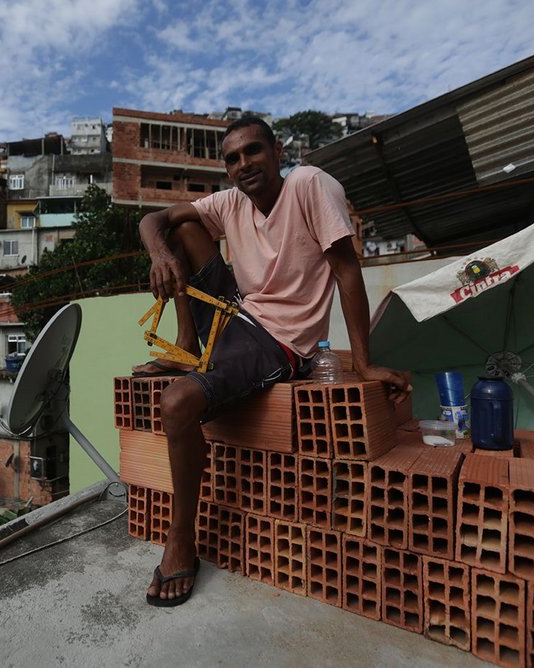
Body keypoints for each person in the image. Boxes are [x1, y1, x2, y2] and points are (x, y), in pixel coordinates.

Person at [135, 116, 411, 607]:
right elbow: (152, 219)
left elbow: (347, 270)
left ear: (277, 152)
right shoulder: (231, 201)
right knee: (182, 226)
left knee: (178, 403)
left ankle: (180, 540)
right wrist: (159, 253)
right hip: (236, 314)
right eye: (233, 159)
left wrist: (364, 364)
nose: (244, 165)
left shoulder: (309, 184)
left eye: (254, 152)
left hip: (279, 342)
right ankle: (188, 345)